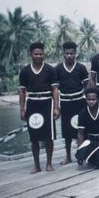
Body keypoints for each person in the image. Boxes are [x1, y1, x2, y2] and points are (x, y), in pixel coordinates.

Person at [19, 42, 60, 174]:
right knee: (34, 137)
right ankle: (36, 165)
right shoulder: (25, 71)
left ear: (44, 54)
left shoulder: (50, 70)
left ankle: (49, 163)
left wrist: (56, 107)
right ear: (31, 54)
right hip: (32, 104)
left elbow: (55, 90)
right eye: (36, 54)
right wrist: (22, 109)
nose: (38, 56)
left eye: (40, 54)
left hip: (47, 103)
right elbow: (22, 92)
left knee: (49, 136)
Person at [55, 41, 89, 165]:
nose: (69, 55)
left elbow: (86, 86)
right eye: (67, 53)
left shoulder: (81, 68)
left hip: (79, 102)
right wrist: (56, 106)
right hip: (65, 102)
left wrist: (87, 103)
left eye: (72, 53)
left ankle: (82, 155)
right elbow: (55, 89)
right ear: (63, 54)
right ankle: (68, 156)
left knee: (81, 129)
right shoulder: (58, 68)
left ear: (75, 54)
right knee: (66, 131)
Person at [75, 87, 99, 169]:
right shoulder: (82, 113)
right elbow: (80, 133)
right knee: (79, 154)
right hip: (90, 139)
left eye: (93, 99)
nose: (91, 102)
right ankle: (95, 155)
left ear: (98, 99)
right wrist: (79, 148)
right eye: (89, 99)